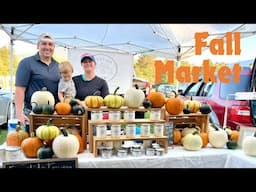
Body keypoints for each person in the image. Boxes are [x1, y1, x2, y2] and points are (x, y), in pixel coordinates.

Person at [15, 33, 60, 124]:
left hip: (53, 114)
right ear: (37, 46)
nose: (47, 47)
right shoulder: (26, 63)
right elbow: (19, 89)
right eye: (44, 43)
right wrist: (19, 114)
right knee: (33, 138)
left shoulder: (58, 66)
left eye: (50, 44)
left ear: (54, 47)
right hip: (32, 114)